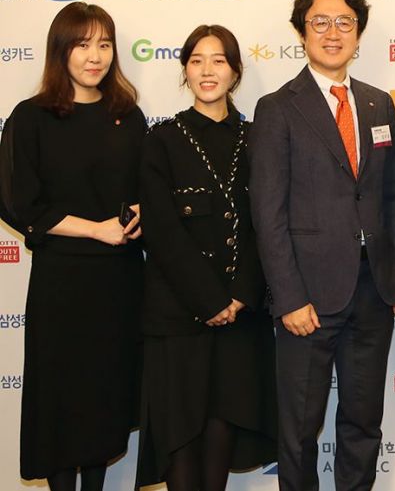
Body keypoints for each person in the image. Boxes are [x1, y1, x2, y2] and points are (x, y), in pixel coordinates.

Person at [249, 0, 395, 491]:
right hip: (308, 297)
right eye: (320, 22)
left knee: (363, 423)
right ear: (301, 32)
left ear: (359, 33)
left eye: (345, 22)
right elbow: (268, 213)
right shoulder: (278, 107)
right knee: (299, 430)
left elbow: (393, 197)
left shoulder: (378, 104)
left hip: (374, 290)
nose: (333, 32)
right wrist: (289, 297)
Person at [0, 2, 144, 491]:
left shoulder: (128, 116)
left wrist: (142, 212)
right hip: (61, 284)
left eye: (104, 44)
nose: (95, 56)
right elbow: (18, 202)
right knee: (62, 404)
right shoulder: (31, 117)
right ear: (60, 50)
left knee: (103, 400)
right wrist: (94, 229)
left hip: (119, 283)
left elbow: (145, 188)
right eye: (82, 45)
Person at [135, 25, 276, 490]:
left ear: (235, 71)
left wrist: (239, 296)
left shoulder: (259, 139)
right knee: (179, 434)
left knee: (223, 426)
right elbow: (162, 231)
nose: (207, 70)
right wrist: (209, 300)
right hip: (178, 317)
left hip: (240, 316)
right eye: (196, 60)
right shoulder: (161, 140)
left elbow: (267, 224)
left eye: (218, 60)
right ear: (185, 71)